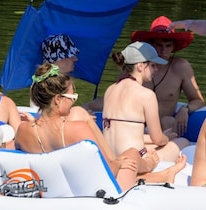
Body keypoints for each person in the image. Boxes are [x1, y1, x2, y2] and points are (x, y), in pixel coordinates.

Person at [15, 63, 186, 190]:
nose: (75, 101)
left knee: (127, 157)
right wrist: (119, 163)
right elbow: (106, 172)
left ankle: (155, 173)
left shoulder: (23, 130)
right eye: (73, 96)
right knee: (132, 155)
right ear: (58, 99)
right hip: (93, 190)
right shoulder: (77, 129)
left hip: (55, 186)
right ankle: (154, 172)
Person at [102, 42, 189, 163]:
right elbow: (158, 139)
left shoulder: (110, 90)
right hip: (136, 159)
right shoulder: (146, 95)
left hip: (111, 156)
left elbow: (127, 133)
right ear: (140, 66)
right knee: (183, 143)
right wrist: (167, 138)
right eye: (153, 65)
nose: (157, 69)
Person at [130, 15, 205, 135]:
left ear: (174, 46)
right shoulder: (136, 65)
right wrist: (89, 107)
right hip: (135, 126)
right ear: (150, 45)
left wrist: (185, 109)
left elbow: (198, 100)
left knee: (168, 121)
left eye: (168, 46)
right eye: (159, 45)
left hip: (164, 129)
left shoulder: (181, 67)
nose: (163, 51)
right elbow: (117, 94)